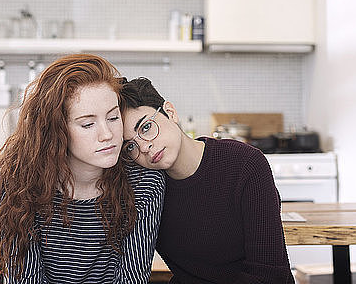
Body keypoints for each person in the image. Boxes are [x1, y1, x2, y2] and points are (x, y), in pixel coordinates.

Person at [0, 54, 164, 284]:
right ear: (56, 131)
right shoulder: (22, 184)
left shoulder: (144, 182)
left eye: (113, 117)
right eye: (88, 124)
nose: (107, 135)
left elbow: (132, 278)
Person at [119, 77, 294, 284]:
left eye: (146, 127)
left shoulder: (244, 163)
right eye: (130, 146)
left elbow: (268, 274)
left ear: (170, 112)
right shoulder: (147, 189)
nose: (144, 147)